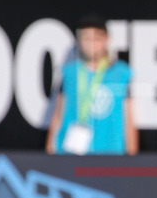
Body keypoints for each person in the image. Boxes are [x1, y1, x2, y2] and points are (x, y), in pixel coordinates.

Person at [46, 14, 139, 155]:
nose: (92, 43)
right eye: (86, 38)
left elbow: (129, 119)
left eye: (97, 38)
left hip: (110, 155)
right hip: (71, 155)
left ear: (107, 39)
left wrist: (132, 156)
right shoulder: (70, 73)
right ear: (79, 40)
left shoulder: (121, 74)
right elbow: (57, 116)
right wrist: (49, 153)